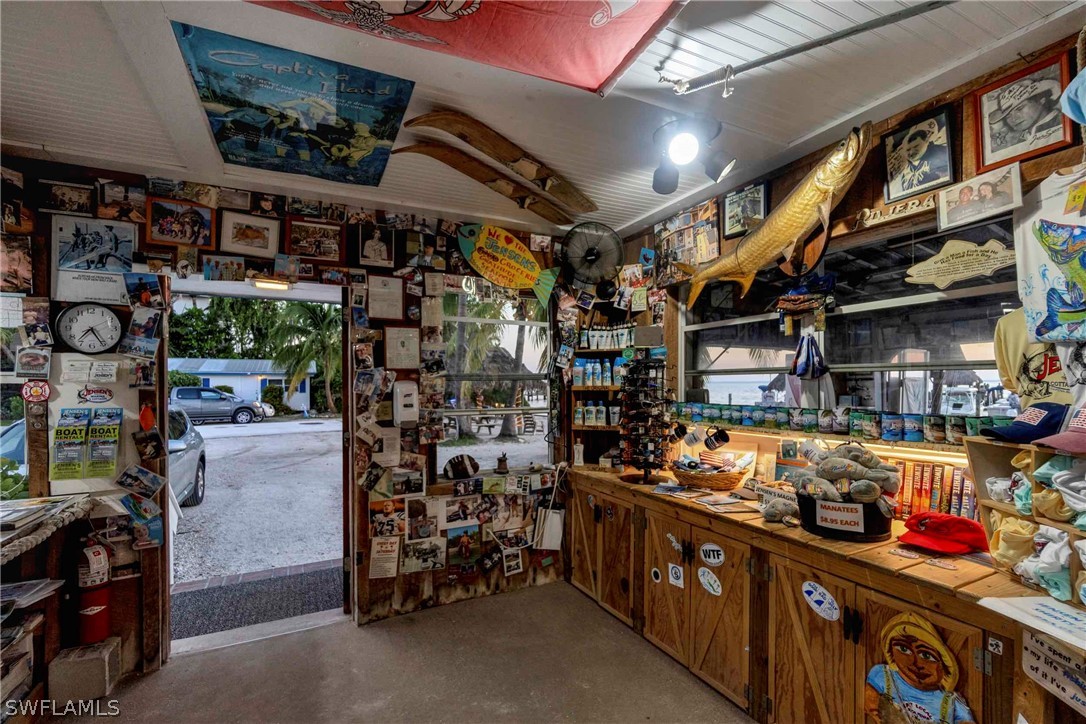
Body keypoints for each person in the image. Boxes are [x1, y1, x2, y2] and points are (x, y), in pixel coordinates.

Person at [864, 612, 975, 723]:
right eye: (903, 649)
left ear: (944, 666)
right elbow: (870, 704)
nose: (915, 663)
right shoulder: (882, 676)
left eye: (927, 656)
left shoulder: (950, 702)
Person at [888, 119, 949, 197]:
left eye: (916, 146)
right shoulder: (905, 170)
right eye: (908, 149)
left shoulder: (941, 153)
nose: (911, 152)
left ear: (927, 141)